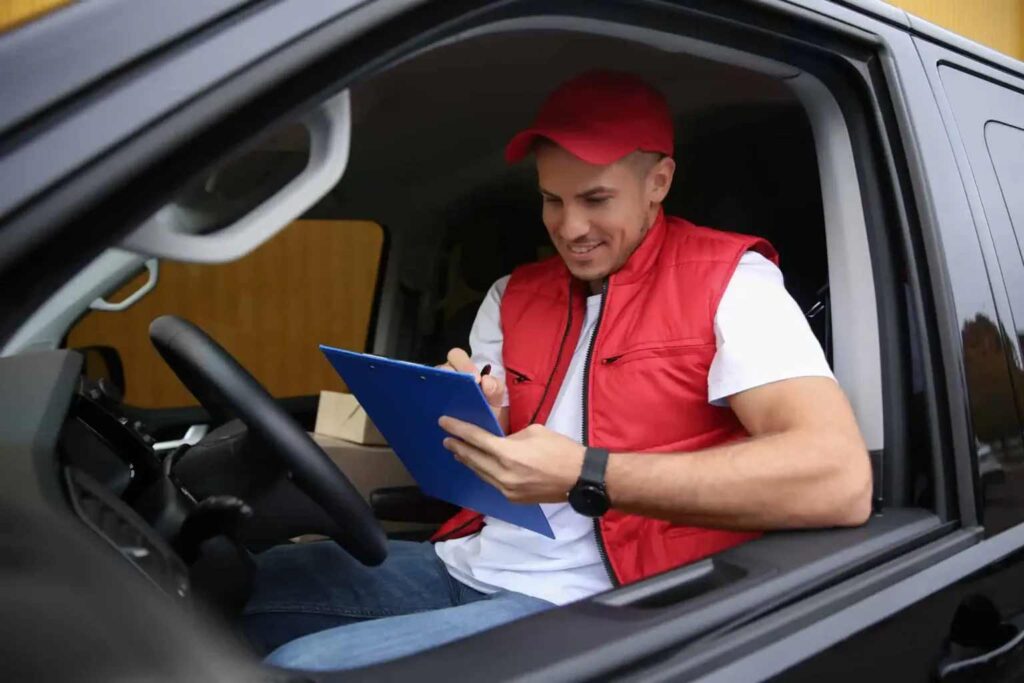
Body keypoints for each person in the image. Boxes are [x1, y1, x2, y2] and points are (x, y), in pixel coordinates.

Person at [243, 70, 872, 671]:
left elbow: (837, 480)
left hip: (601, 602)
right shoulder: (511, 294)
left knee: (301, 669)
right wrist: (476, 421)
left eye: (597, 199)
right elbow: (499, 463)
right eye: (552, 199)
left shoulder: (733, 282)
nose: (570, 228)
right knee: (234, 582)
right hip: (468, 558)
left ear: (659, 181)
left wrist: (588, 472)